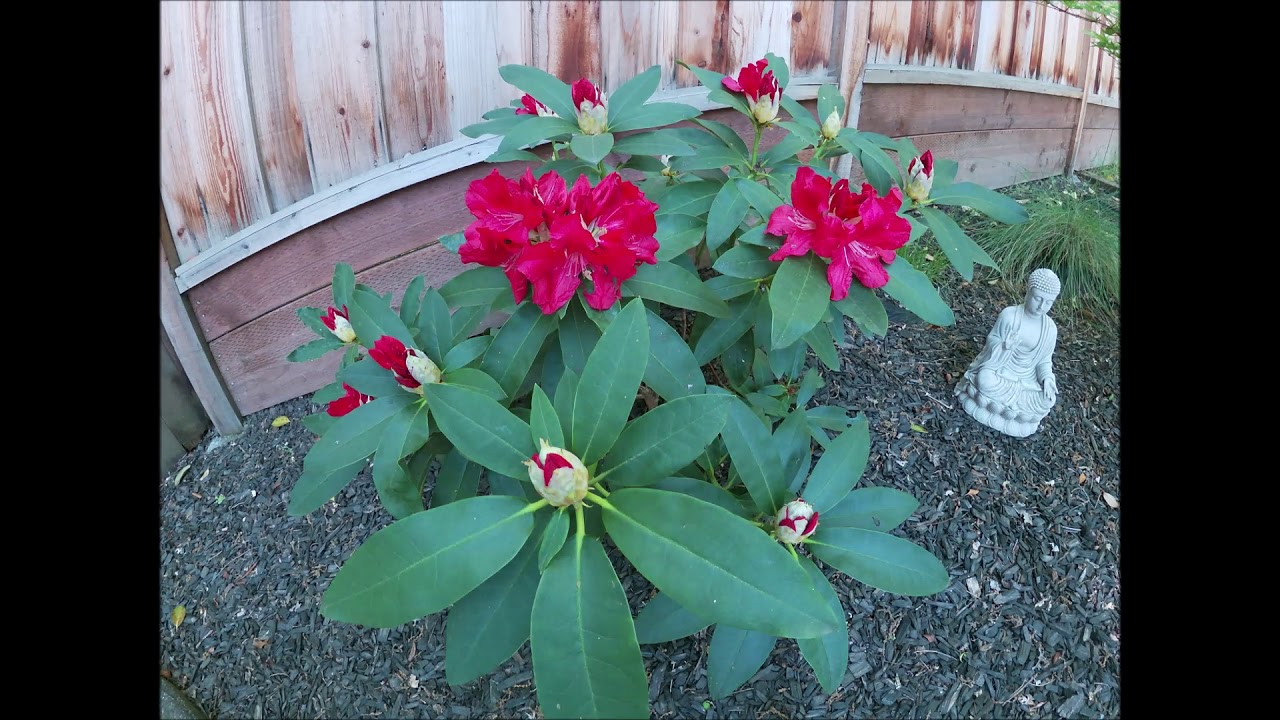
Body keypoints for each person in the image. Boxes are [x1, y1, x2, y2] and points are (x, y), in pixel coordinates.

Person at [955, 268, 1061, 437]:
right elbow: (991, 344)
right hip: (1001, 372)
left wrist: (1047, 378)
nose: (1042, 306)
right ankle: (1012, 414)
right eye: (1038, 299)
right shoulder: (1010, 316)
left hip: (1027, 380)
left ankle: (1003, 408)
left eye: (1048, 302)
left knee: (1048, 400)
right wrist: (1005, 346)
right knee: (984, 380)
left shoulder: (1050, 329)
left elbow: (1044, 361)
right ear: (1028, 292)